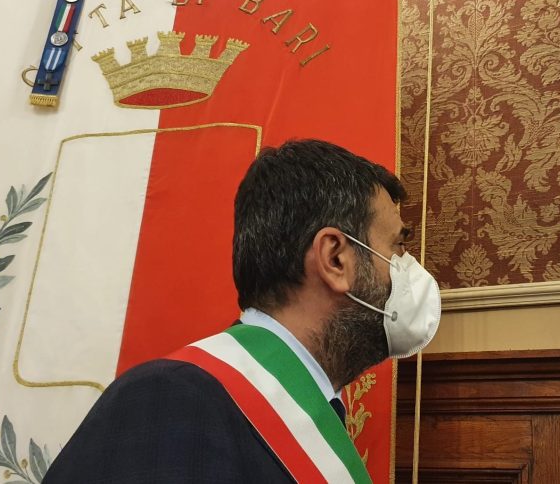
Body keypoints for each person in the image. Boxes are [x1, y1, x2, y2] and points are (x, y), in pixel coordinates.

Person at [42, 139, 441, 483]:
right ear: (335, 259)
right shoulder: (169, 400)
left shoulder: (317, 414)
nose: (408, 268)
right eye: (397, 246)